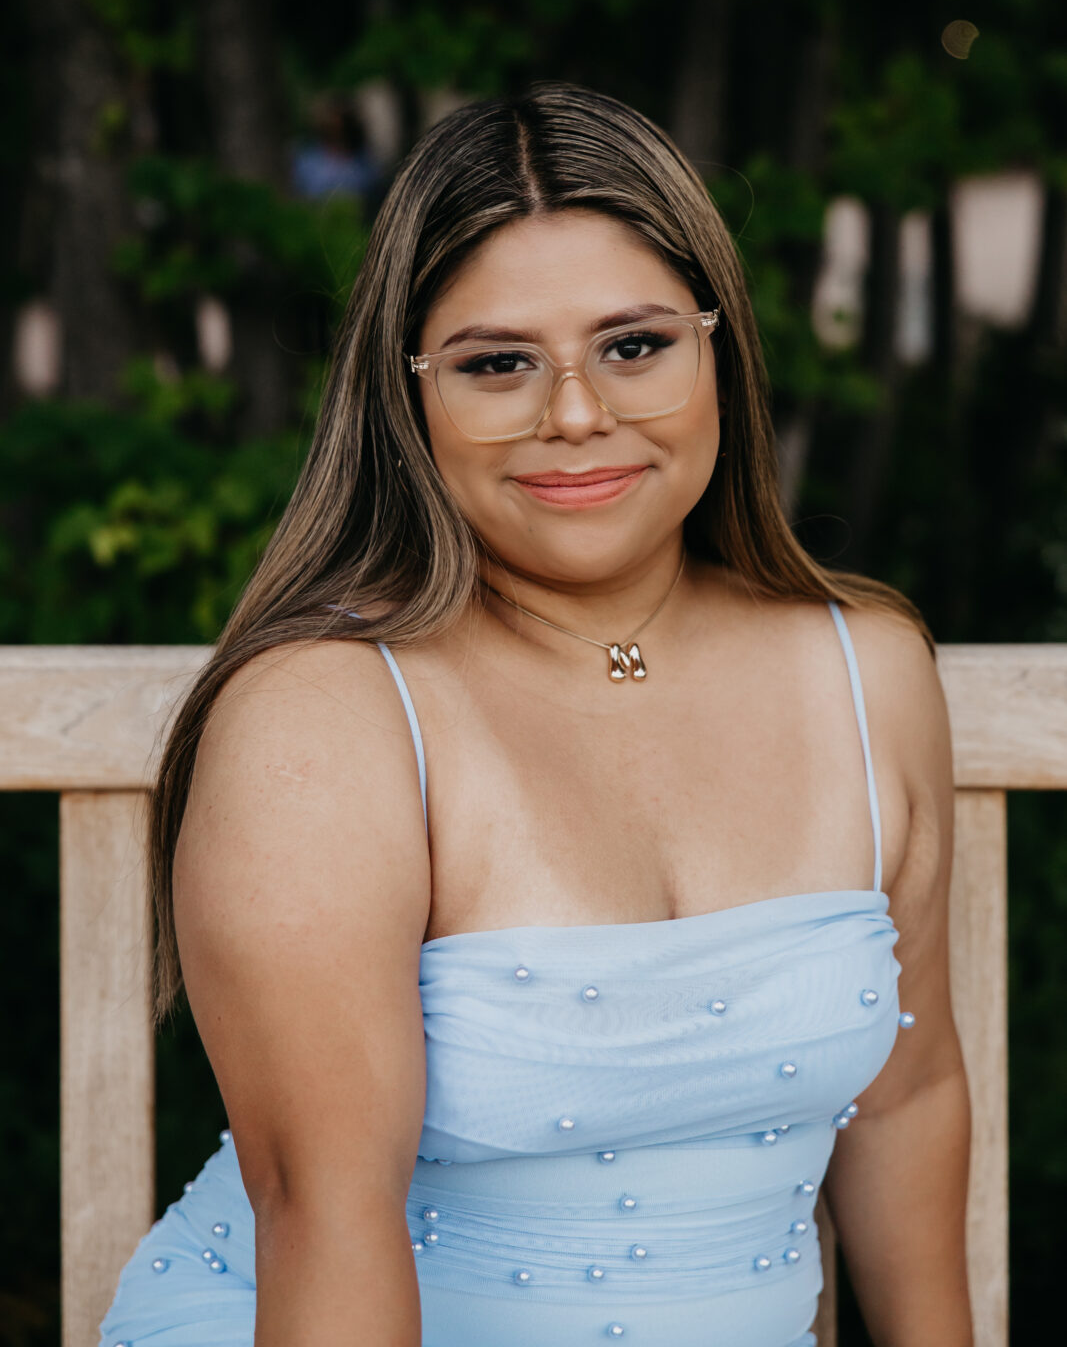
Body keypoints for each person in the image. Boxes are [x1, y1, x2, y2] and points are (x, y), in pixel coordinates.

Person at [99, 82, 973, 1347]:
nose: (574, 414)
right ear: (408, 397)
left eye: (633, 345)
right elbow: (323, 1218)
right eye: (497, 363)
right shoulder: (326, 717)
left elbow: (906, 1098)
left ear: (714, 343)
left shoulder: (864, 668)